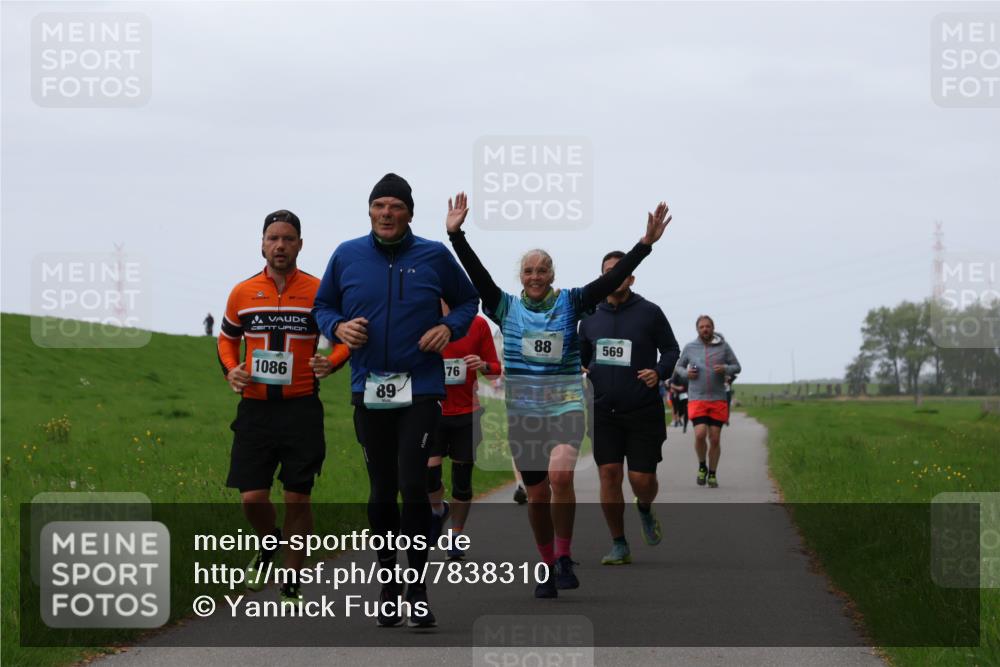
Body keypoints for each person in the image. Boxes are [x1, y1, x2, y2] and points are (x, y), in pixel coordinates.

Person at [446, 191, 671, 598]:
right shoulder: (503, 307)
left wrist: (645, 246)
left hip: (565, 407)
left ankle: (565, 555)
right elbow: (476, 274)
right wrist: (457, 235)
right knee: (536, 495)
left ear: (552, 275)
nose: (535, 276)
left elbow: (610, 281)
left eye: (542, 270)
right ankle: (548, 562)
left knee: (560, 476)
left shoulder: (573, 303)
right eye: (529, 270)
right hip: (523, 415)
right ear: (521, 276)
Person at [312, 174, 478, 628]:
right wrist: (336, 328)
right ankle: (388, 585)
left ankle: (418, 588)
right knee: (381, 490)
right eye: (379, 205)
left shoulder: (432, 255)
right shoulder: (347, 255)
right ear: (369, 211)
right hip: (368, 388)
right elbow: (323, 306)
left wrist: (449, 328)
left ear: (408, 213)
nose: (387, 213)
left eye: (395, 206)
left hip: (420, 388)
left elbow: (468, 302)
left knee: (412, 484)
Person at [217, 209, 350, 604]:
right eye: (273, 238)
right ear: (261, 243)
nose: (280, 245)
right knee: (252, 498)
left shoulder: (318, 290)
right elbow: (226, 339)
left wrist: (334, 360)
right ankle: (269, 541)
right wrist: (231, 370)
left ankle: (292, 577)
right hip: (255, 410)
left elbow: (344, 336)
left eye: (288, 239)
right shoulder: (242, 292)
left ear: (300, 245)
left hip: (301, 410)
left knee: (297, 497)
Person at [579, 251, 679, 566]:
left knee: (641, 480)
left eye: (622, 271)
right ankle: (619, 543)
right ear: (601, 277)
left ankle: (645, 508)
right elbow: (582, 356)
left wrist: (659, 371)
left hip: (642, 410)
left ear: (631, 278)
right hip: (602, 411)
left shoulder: (650, 312)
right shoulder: (590, 316)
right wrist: (581, 370)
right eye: (609, 271)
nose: (616, 275)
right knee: (609, 474)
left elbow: (671, 349)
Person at [427, 300, 502, 560]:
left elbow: (495, 370)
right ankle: (437, 510)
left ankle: (457, 536)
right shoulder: (424, 320)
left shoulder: (478, 324)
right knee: (429, 476)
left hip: (467, 413)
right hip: (431, 411)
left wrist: (482, 365)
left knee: (462, 481)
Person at [673, 316, 741, 488]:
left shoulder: (723, 347)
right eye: (702, 326)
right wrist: (686, 374)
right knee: (700, 434)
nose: (705, 329)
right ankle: (702, 465)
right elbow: (678, 367)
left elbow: (737, 366)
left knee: (715, 439)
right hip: (697, 398)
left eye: (708, 326)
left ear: (713, 328)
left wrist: (725, 368)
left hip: (718, 399)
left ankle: (712, 473)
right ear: (697, 329)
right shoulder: (690, 347)